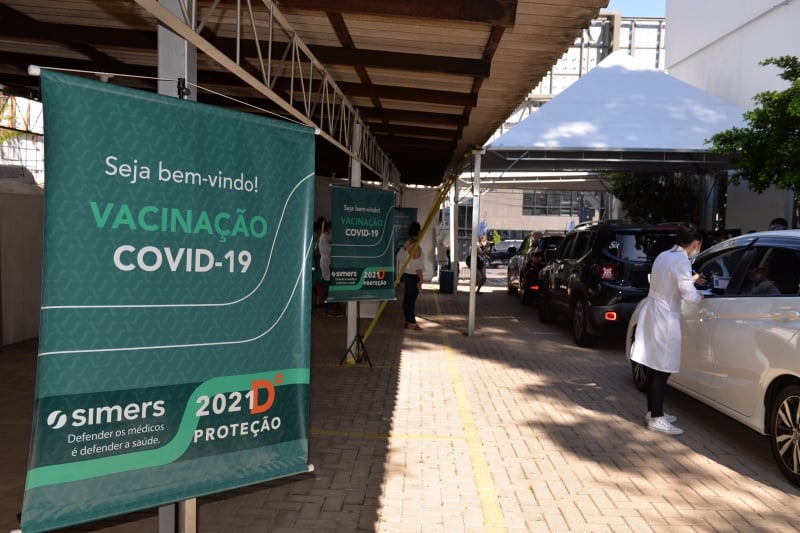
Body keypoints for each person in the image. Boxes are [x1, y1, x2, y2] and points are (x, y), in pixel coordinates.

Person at [630, 223, 705, 436]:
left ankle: (653, 411)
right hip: (665, 317)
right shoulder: (681, 260)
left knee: (655, 366)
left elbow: (668, 282)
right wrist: (701, 295)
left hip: (653, 311)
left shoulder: (665, 255)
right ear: (696, 243)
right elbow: (689, 296)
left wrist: (690, 280)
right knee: (663, 368)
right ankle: (656, 418)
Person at [400, 221, 424, 330]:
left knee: (407, 299)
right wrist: (421, 279)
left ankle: (407, 320)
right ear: (418, 232)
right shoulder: (415, 247)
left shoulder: (407, 243)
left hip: (406, 274)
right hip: (413, 276)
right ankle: (411, 322)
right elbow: (417, 265)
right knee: (411, 300)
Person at [318, 219, 343, 317]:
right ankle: (329, 308)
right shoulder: (324, 237)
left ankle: (330, 307)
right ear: (329, 228)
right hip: (326, 263)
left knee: (331, 286)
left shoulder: (329, 236)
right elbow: (329, 251)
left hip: (330, 263)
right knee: (329, 286)